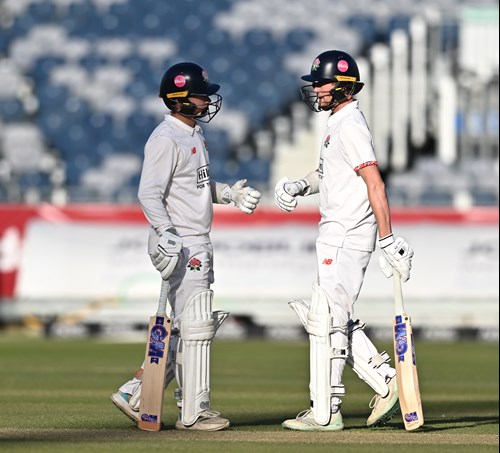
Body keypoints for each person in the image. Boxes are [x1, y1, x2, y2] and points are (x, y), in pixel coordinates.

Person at [112, 62, 261, 431]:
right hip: (181, 241)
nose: (207, 101)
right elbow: (148, 192)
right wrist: (166, 231)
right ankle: (193, 412)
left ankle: (135, 393)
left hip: (194, 239)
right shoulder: (166, 138)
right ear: (179, 99)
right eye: (200, 96)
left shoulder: (193, 133)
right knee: (195, 325)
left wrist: (228, 193)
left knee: (184, 329)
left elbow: (196, 186)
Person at [274, 50, 414, 431]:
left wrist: (388, 240)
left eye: (321, 83)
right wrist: (299, 185)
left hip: (347, 233)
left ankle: (328, 410)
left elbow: (375, 183)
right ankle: (386, 381)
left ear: (343, 86)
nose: (316, 89)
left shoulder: (350, 124)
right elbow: (328, 174)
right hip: (336, 233)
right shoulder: (337, 122)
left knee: (329, 321)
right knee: (334, 317)